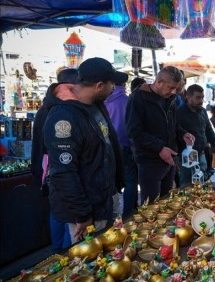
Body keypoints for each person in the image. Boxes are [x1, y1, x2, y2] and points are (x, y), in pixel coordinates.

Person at [43, 57, 126, 243]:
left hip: (107, 198)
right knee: (90, 265)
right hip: (88, 210)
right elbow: (63, 172)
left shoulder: (96, 105)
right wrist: (82, 214)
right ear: (99, 85)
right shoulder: (63, 116)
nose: (114, 87)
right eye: (112, 83)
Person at [126, 66, 194, 202]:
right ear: (159, 82)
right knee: (151, 205)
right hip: (149, 161)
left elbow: (174, 125)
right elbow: (134, 132)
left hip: (169, 159)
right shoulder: (138, 98)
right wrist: (159, 147)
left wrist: (183, 133)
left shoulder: (171, 98)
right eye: (170, 87)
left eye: (176, 88)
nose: (174, 92)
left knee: (166, 201)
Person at [31, 67, 77, 253]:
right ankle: (63, 251)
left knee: (58, 212)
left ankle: (58, 250)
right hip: (54, 168)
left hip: (48, 168)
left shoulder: (46, 107)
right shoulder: (58, 109)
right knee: (65, 214)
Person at [105, 71, 139, 218]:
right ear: (124, 85)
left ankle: (112, 213)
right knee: (131, 181)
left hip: (107, 147)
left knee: (111, 182)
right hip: (125, 147)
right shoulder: (127, 101)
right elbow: (132, 127)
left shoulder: (103, 101)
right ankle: (128, 214)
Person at [176, 84, 215, 185]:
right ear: (188, 97)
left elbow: (208, 130)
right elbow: (175, 132)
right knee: (187, 185)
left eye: (202, 97)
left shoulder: (203, 111)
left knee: (202, 182)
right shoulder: (179, 112)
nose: (201, 100)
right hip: (185, 157)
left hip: (201, 154)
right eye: (198, 97)